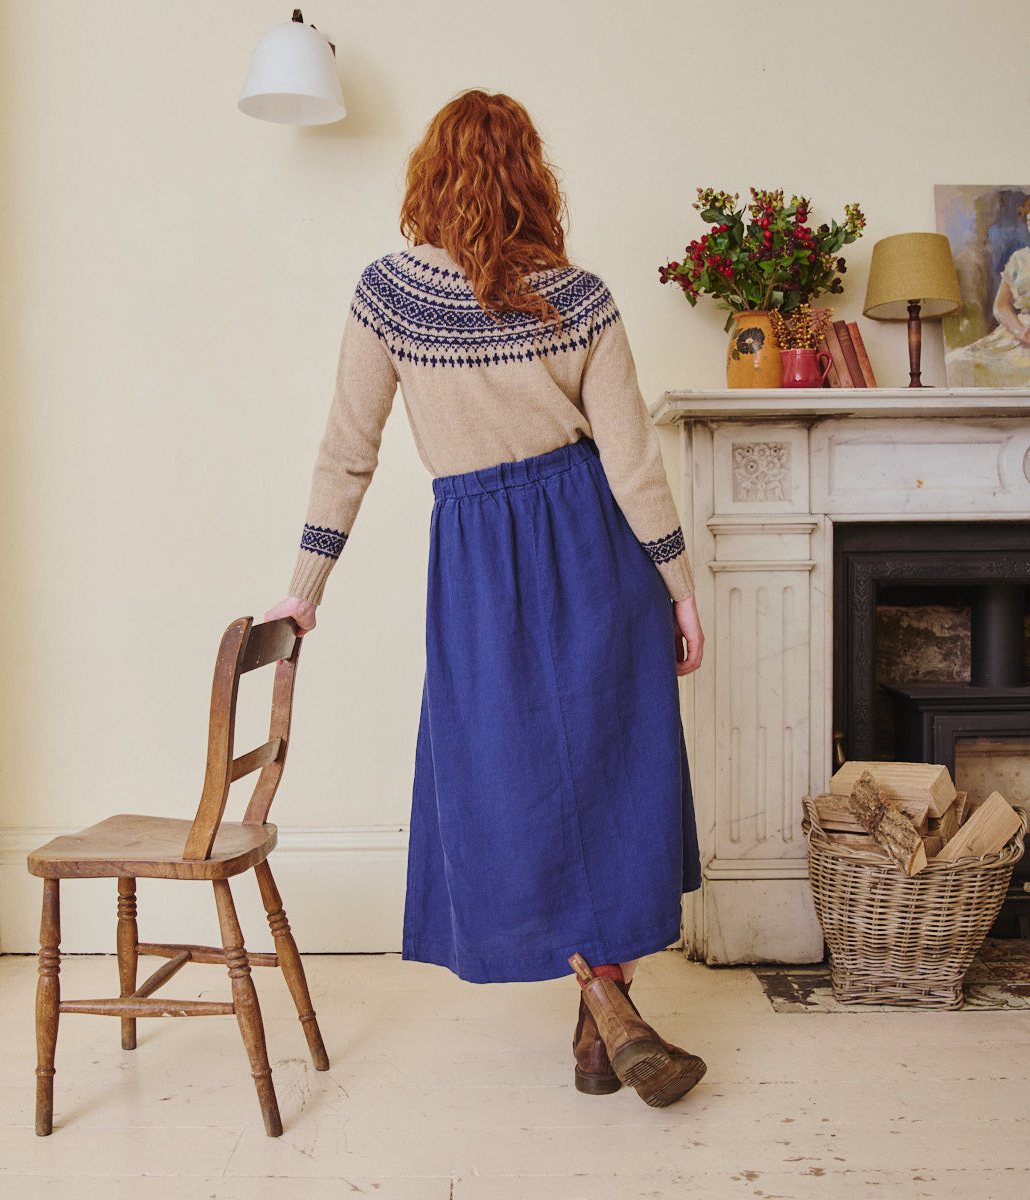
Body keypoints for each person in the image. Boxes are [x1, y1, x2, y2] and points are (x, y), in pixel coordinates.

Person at [265, 90, 706, 1108]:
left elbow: (348, 452)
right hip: (593, 546)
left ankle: (603, 1025)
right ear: (531, 179)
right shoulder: (579, 297)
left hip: (476, 556)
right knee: (608, 773)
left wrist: (303, 591)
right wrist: (679, 590)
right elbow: (633, 467)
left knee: (518, 780)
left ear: (429, 177)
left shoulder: (388, 295)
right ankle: (610, 1013)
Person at [945, 186, 1030, 387]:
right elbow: (1001, 306)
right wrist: (1020, 331)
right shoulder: (1021, 258)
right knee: (959, 362)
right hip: (1016, 330)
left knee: (1029, 371)